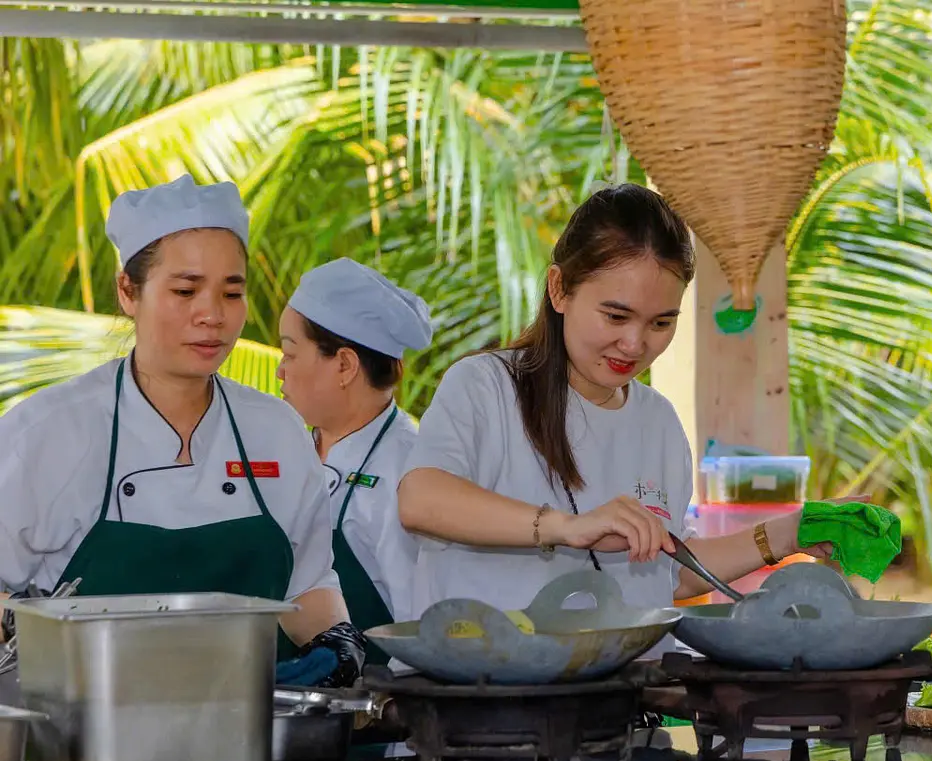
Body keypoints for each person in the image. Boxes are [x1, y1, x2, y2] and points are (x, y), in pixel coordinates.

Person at [396, 183, 852, 630]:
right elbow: (421, 500)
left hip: (619, 691)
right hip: (490, 689)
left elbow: (669, 573)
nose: (634, 343)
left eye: (661, 322)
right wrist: (566, 527)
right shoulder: (487, 385)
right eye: (615, 316)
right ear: (559, 290)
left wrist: (793, 532)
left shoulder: (658, 422)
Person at [0, 175, 365, 688]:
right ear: (128, 291)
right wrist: (28, 622)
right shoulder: (48, 432)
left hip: (239, 736)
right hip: (78, 739)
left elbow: (306, 585)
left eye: (231, 292)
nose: (212, 315)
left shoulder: (275, 431)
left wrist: (337, 639)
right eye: (185, 290)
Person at [276, 257, 433, 664]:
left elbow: (420, 630)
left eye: (290, 354)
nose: (279, 371)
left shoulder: (409, 472)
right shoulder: (281, 449)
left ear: (344, 365)